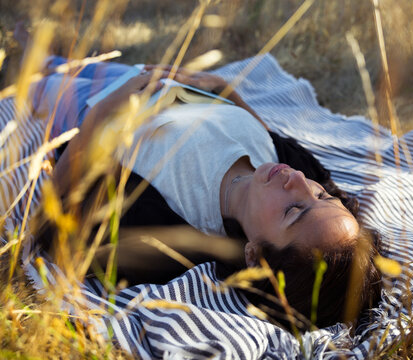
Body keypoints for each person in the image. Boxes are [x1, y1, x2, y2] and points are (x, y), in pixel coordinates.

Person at [28, 50, 381, 328]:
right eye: (322, 196)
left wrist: (100, 116)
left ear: (255, 255)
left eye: (293, 211)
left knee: (32, 78)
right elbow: (266, 135)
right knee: (68, 59)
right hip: (149, 81)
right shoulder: (287, 166)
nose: (298, 182)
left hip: (89, 105)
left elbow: (50, 221)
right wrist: (227, 93)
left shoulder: (171, 225)